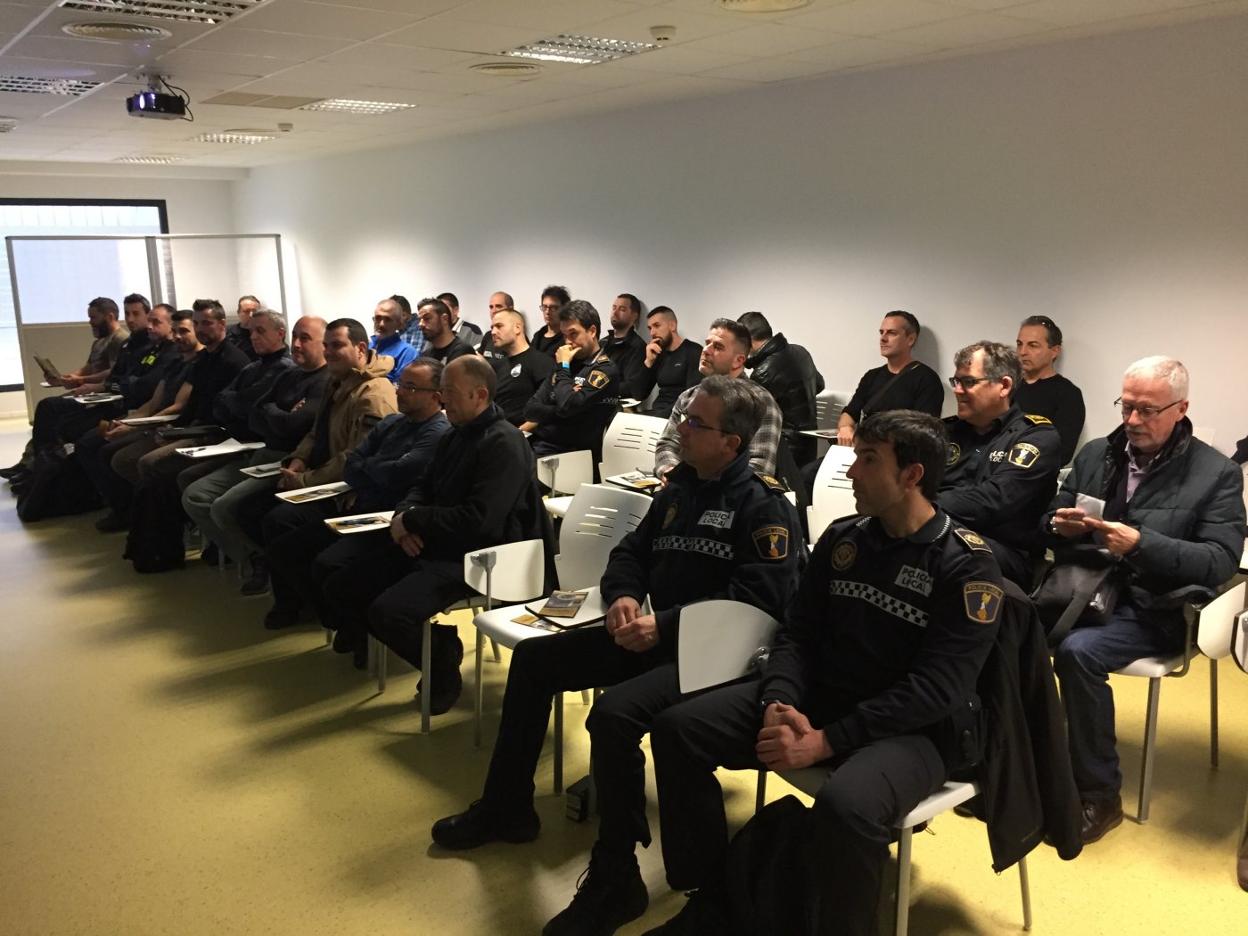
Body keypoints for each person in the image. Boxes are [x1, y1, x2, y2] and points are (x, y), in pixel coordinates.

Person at [639, 410, 1004, 936]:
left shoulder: (965, 565)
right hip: (822, 700)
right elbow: (797, 632)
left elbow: (937, 690)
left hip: (915, 731)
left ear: (912, 475)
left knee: (847, 806)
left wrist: (828, 741)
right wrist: (777, 703)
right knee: (678, 730)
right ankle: (715, 897)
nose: (851, 472)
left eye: (868, 460)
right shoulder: (844, 538)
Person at [431, 376, 802, 880]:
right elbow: (629, 553)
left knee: (613, 713)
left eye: (696, 424)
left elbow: (759, 603)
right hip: (658, 635)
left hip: (719, 655)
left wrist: (663, 626)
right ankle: (507, 807)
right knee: (537, 659)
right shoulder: (679, 492)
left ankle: (616, 869)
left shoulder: (764, 505)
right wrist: (624, 595)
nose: (681, 430)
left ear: (731, 444)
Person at [1045, 356, 1244, 845]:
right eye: (1126, 407)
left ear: (1181, 409)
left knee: (1078, 654)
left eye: (1147, 411)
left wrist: (1141, 545)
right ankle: (1017, 767)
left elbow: (1219, 562)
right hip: (1085, 588)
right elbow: (1052, 515)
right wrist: (1057, 523)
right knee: (1001, 625)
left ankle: (1099, 794)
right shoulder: (1096, 454)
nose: (1132, 421)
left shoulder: (1216, 473)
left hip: (1159, 606)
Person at [319, 355, 543, 711]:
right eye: (441, 391)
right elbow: (420, 488)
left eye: (449, 392)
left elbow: (480, 520)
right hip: (435, 540)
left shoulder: (504, 443)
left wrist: (415, 521)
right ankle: (440, 642)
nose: (442, 399)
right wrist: (403, 518)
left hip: (481, 556)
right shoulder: (454, 435)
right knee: (342, 585)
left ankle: (441, 662)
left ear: (479, 395)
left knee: (389, 612)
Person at [263, 358, 449, 633]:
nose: (398, 392)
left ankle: (351, 628)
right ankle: (333, 618)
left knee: (327, 564)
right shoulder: (392, 422)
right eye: (401, 384)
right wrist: (374, 469)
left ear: (435, 397)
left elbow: (400, 474)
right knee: (283, 548)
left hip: (388, 518)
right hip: (360, 506)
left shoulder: (437, 432)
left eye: (410, 387)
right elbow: (352, 465)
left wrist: (370, 468)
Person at [180, 315, 329, 579]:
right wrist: (278, 414)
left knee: (224, 507)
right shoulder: (289, 373)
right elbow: (253, 413)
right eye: (295, 336)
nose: (296, 344)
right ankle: (251, 556)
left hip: (286, 460)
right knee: (195, 494)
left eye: (305, 338)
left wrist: (273, 413)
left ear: (324, 344)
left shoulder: (325, 381)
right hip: (260, 451)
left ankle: (262, 564)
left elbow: (292, 426)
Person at [938, 340, 1061, 587]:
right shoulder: (944, 431)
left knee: (933, 544)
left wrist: (919, 507)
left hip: (1006, 553)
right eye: (956, 381)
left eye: (969, 382)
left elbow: (994, 500)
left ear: (1004, 386)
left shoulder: (1036, 436)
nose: (958, 390)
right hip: (941, 532)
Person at [82, 309, 202, 531]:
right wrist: (128, 423)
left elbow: (178, 406)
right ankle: (134, 510)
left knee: (122, 457)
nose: (177, 336)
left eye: (184, 331)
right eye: (175, 331)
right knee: (98, 444)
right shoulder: (174, 361)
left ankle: (152, 513)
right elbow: (153, 402)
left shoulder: (200, 363)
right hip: (154, 422)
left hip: (176, 427)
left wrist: (138, 428)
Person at [654, 319, 782, 481]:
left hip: (732, 497)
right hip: (685, 487)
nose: (706, 350)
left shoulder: (761, 402)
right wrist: (669, 471)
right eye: (707, 343)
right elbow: (667, 444)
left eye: (718, 347)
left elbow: (759, 467)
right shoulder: (689, 396)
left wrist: (706, 486)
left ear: (739, 361)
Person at [522, 299, 621, 467]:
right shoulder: (565, 364)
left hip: (572, 455)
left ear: (592, 331)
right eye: (564, 335)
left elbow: (568, 405)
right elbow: (531, 409)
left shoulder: (604, 370)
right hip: (541, 445)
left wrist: (563, 368)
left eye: (573, 334)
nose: (567, 342)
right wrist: (558, 410)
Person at [837, 310, 943, 445]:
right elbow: (850, 412)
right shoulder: (872, 376)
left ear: (910, 339)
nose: (883, 338)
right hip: (863, 450)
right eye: (881, 332)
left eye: (892, 333)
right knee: (814, 467)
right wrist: (845, 428)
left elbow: (924, 432)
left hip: (897, 457)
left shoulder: (927, 380)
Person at [738, 311, 824, 466]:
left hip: (784, 449)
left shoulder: (763, 372)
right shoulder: (800, 351)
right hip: (809, 443)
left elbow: (753, 418)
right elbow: (819, 384)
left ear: (747, 340)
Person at [1013, 315, 1086, 465]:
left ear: (1054, 351)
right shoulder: (1007, 387)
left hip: (1033, 477)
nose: (1022, 352)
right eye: (1020, 344)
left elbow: (1062, 453)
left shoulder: (1068, 394)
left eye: (1033, 345)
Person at [488, 308, 555, 425]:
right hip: (496, 432)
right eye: (492, 328)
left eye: (499, 326)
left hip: (526, 438)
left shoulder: (542, 363)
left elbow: (548, 408)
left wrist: (518, 434)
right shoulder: (495, 366)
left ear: (517, 328)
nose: (493, 332)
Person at [637, 306, 702, 418]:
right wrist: (648, 362)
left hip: (679, 418)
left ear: (672, 325)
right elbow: (639, 394)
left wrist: (657, 416)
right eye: (649, 328)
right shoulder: (657, 353)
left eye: (657, 326)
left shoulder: (693, 351)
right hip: (656, 413)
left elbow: (691, 399)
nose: (652, 333)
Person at [601, 293, 648, 400]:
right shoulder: (602, 342)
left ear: (634, 316)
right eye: (614, 308)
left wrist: (598, 388)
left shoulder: (638, 347)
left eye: (622, 309)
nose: (615, 312)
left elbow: (629, 387)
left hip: (617, 405)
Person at [370, 295, 419, 384]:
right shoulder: (366, 345)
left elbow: (401, 389)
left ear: (400, 324)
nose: (381, 324)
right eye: (378, 318)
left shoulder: (407, 352)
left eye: (387, 319)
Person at [417, 297, 476, 364]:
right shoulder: (426, 355)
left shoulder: (463, 351)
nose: (420, 324)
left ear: (444, 319)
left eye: (427, 318)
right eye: (419, 320)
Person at [532, 285, 570, 357]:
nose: (547, 312)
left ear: (564, 309)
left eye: (553, 308)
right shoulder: (538, 336)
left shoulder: (568, 338)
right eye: (544, 307)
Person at [225, 294, 261, 360]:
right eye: (246, 311)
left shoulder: (267, 332)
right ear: (238, 313)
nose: (251, 315)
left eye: (255, 311)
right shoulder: (226, 333)